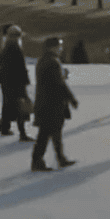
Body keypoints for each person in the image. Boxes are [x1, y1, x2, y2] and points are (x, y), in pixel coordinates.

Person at [30, 37, 79, 171]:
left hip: (44, 102)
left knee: (51, 133)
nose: (61, 49)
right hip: (52, 103)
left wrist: (62, 75)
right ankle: (39, 160)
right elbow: (59, 84)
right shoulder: (53, 62)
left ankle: (59, 158)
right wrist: (72, 99)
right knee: (47, 133)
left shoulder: (42, 60)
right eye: (59, 46)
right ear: (53, 47)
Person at [0, 25, 33, 142]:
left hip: (7, 83)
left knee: (9, 108)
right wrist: (25, 81)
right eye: (18, 36)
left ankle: (2, 128)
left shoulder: (7, 47)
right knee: (20, 108)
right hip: (16, 83)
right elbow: (20, 68)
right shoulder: (15, 48)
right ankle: (21, 134)